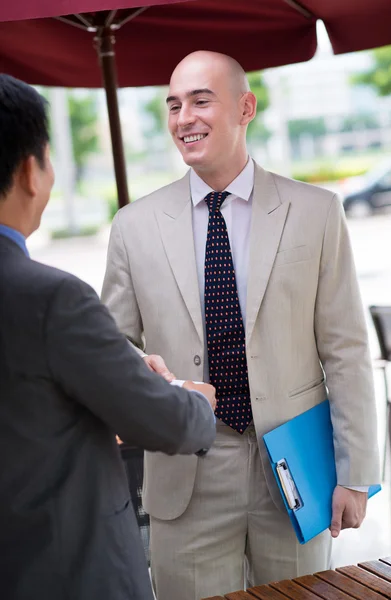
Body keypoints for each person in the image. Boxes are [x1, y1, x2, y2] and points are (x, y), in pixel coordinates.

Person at [101, 51, 380, 600]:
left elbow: (346, 350)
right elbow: (112, 347)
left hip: (297, 471)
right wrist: (159, 382)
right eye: (174, 105)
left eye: (202, 100)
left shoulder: (316, 211)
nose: (185, 118)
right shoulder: (133, 226)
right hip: (186, 470)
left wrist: (355, 472)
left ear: (245, 107)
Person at [0, 73, 217, 600]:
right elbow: (163, 421)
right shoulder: (50, 298)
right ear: (32, 170)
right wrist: (194, 401)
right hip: (64, 571)